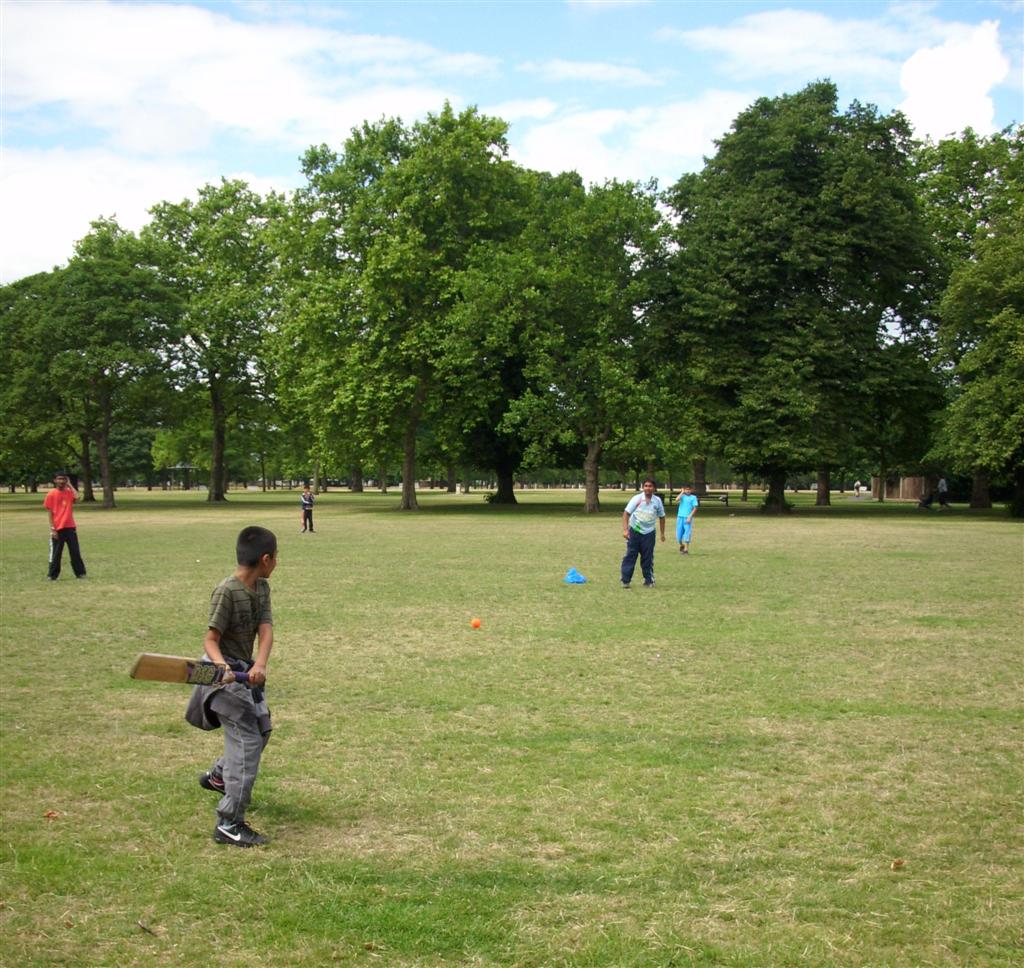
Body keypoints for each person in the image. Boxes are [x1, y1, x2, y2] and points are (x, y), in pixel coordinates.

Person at [185, 526, 277, 848]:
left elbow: (265, 630)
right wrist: (222, 665)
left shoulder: (261, 588)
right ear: (266, 559)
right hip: (217, 676)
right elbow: (210, 639)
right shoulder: (226, 590)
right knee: (247, 742)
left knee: (261, 730)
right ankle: (229, 823)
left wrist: (260, 664)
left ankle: (221, 776)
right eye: (276, 557)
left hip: (243, 672)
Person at [620, 478, 665, 588]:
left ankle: (649, 580)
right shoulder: (637, 498)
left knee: (647, 558)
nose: (648, 488)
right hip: (635, 531)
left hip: (649, 534)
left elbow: (662, 517)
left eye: (650, 486)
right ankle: (625, 580)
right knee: (631, 556)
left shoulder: (657, 501)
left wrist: (662, 533)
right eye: (646, 486)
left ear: (654, 488)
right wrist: (626, 530)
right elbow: (626, 514)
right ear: (643, 487)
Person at [44, 472, 87, 580]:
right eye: (59, 479)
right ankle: (52, 575)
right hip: (58, 528)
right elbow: (50, 513)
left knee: (75, 552)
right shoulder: (51, 494)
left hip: (70, 527)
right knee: (56, 553)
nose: (61, 481)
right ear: (55, 480)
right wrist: (53, 529)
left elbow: (77, 498)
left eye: (63, 479)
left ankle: (80, 573)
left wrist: (70, 485)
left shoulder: (69, 492)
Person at [674, 483, 699, 554]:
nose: (687, 491)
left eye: (689, 489)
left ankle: (686, 549)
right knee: (679, 536)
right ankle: (682, 545)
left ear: (691, 490)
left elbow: (695, 508)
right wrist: (682, 492)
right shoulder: (682, 496)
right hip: (680, 517)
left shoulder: (693, 497)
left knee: (687, 533)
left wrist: (690, 516)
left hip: (687, 518)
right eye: (686, 489)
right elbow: (676, 499)